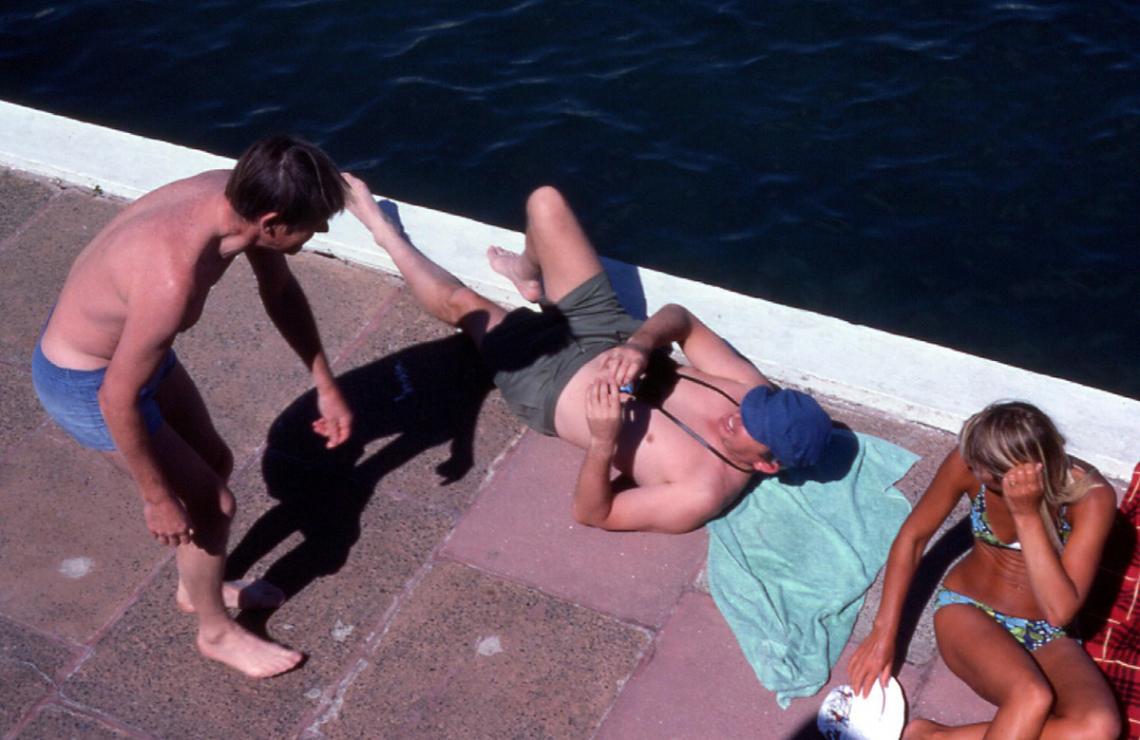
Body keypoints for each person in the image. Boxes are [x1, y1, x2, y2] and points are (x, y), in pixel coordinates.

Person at [31, 135, 353, 678]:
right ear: (272, 222)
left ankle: (195, 585)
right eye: (314, 223)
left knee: (214, 461)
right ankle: (215, 632)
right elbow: (117, 397)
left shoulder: (234, 199)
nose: (319, 232)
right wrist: (155, 497)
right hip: (88, 381)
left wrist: (325, 382)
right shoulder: (172, 278)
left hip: (130, 356)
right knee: (209, 504)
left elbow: (279, 293)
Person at [344, 176, 832, 534]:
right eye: (753, 409)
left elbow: (594, 513)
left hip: (548, 384)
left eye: (752, 429)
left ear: (767, 466)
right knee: (545, 202)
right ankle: (530, 278)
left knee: (464, 306)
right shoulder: (750, 390)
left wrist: (603, 440)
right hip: (611, 332)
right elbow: (681, 318)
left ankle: (383, 232)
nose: (737, 418)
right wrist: (641, 343)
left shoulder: (700, 492)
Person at [847, 401, 1121, 738]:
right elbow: (913, 538)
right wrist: (883, 632)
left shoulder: (1090, 497)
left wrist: (1028, 515)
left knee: (1097, 727)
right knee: (1030, 697)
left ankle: (933, 737)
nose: (971, 467)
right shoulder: (967, 461)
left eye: (981, 468)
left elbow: (1059, 612)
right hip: (969, 610)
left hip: (1045, 630)